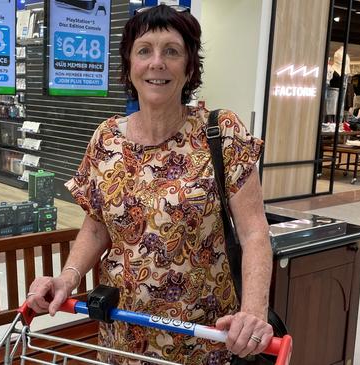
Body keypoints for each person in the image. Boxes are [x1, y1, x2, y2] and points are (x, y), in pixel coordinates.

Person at [26, 5, 273, 364]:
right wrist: (67, 278)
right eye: (144, 50)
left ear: (189, 67)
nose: (157, 62)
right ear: (129, 64)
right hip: (122, 331)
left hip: (203, 337)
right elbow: (96, 228)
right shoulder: (106, 138)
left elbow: (254, 233)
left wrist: (252, 312)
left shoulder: (222, 133)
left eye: (171, 51)